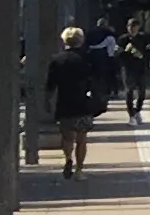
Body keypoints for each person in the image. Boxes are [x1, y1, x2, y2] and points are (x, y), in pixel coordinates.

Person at [46, 26, 108, 177]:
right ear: (81, 40)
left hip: (64, 102)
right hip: (83, 103)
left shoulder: (57, 59)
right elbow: (96, 79)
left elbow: (50, 84)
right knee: (81, 138)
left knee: (67, 136)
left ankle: (68, 158)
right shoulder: (87, 59)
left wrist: (48, 101)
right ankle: (80, 170)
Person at [117, 9, 150, 125]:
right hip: (128, 68)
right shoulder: (123, 39)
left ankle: (138, 111)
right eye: (129, 26)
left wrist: (142, 55)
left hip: (141, 67)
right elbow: (117, 54)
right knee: (129, 92)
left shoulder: (145, 38)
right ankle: (131, 115)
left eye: (134, 26)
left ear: (138, 27)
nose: (132, 28)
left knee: (142, 92)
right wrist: (127, 52)